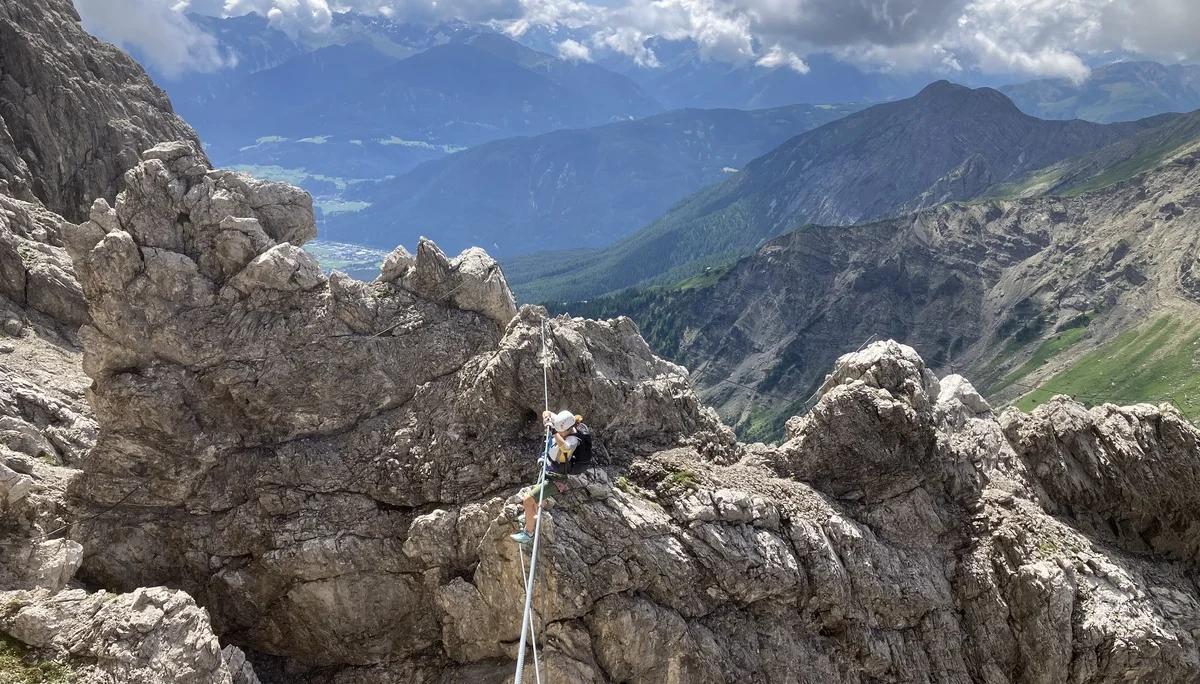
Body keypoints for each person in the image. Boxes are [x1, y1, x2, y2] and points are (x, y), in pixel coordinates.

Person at [510, 409, 589, 545]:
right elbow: (547, 412)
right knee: (537, 501)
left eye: (560, 431)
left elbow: (565, 448)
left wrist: (553, 431)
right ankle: (531, 518)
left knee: (528, 500)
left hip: (555, 479)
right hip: (549, 471)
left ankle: (529, 534)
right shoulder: (563, 424)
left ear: (569, 429)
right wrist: (547, 419)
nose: (559, 432)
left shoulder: (573, 440)